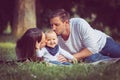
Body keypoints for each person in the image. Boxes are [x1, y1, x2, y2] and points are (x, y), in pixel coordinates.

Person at [48, 9, 120, 62]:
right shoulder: (54, 37)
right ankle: (114, 61)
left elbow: (93, 48)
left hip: (103, 43)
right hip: (89, 55)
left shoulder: (79, 24)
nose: (53, 28)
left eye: (56, 25)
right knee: (91, 59)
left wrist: (70, 58)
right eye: (51, 25)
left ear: (66, 22)